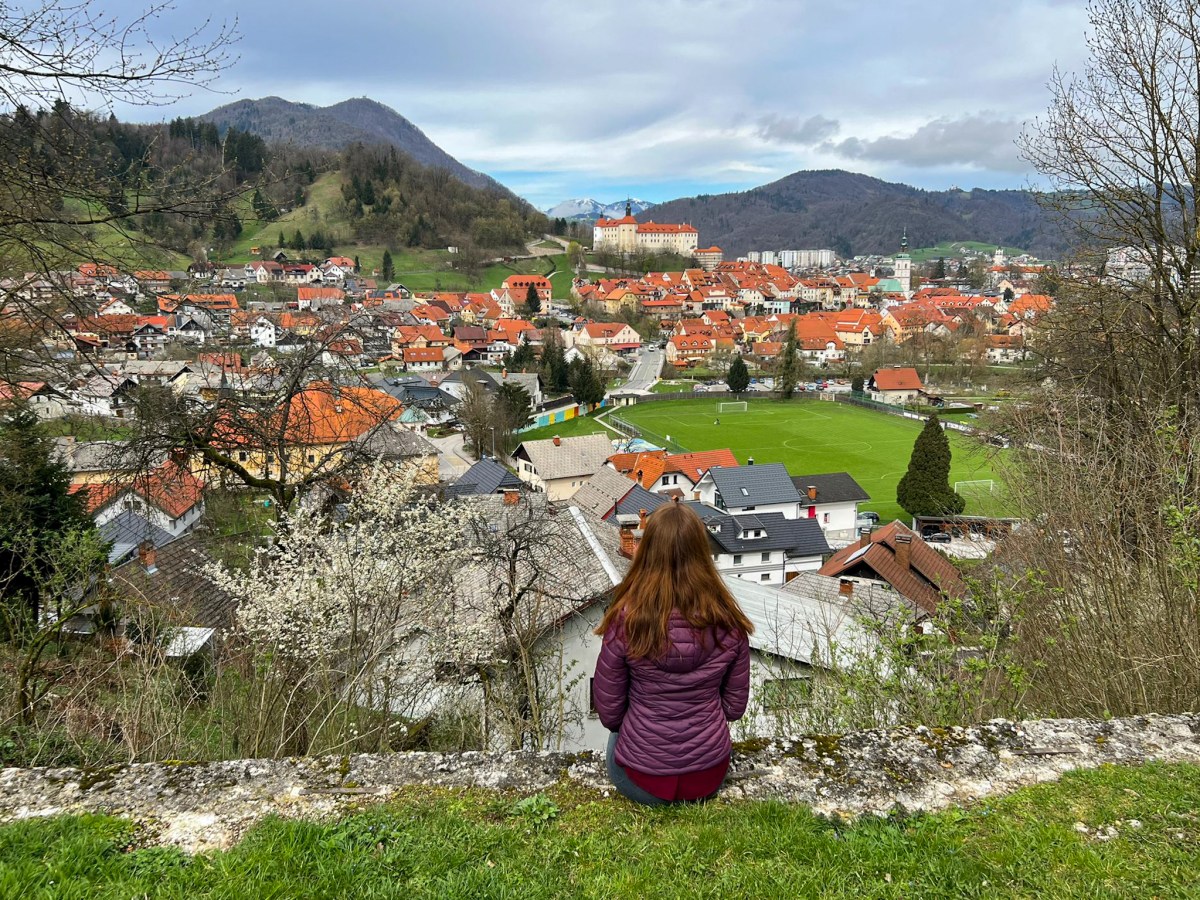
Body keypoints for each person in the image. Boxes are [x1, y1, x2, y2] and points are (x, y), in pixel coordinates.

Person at [592, 502, 753, 805]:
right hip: (708, 776)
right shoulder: (729, 621)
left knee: (617, 738)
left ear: (648, 550)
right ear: (702, 552)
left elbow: (610, 713)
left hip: (641, 781)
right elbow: (733, 709)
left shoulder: (627, 620)